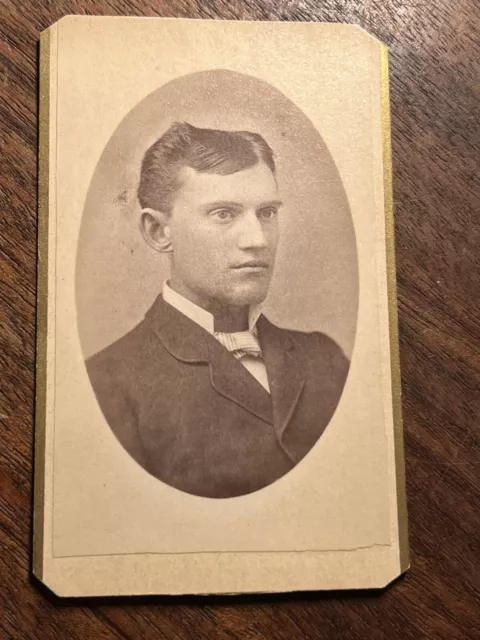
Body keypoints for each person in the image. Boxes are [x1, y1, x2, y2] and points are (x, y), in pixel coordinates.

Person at [86, 122, 349, 499]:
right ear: (159, 232)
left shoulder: (326, 358)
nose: (257, 240)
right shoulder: (107, 383)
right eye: (224, 214)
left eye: (267, 213)